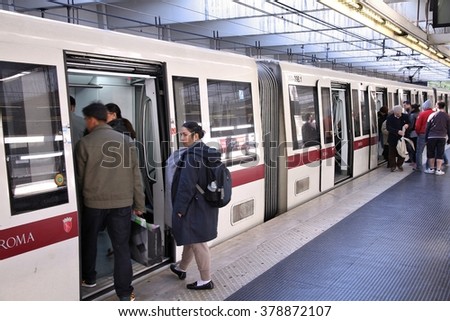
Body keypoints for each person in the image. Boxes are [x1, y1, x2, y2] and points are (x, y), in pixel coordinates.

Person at [75, 102, 145, 301]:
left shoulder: (84, 144)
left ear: (92, 120)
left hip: (93, 204)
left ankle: (89, 278)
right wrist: (139, 204)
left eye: (86, 119)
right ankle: (124, 293)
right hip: (122, 204)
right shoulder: (126, 141)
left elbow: (79, 180)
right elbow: (135, 176)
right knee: (121, 247)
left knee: (89, 241)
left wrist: (79, 208)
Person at [169, 122, 220, 290]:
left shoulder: (192, 155)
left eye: (184, 134)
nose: (182, 138)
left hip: (193, 205)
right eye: (181, 135)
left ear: (195, 136)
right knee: (191, 237)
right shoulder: (205, 151)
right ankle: (181, 268)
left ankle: (206, 280)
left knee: (198, 242)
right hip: (205, 203)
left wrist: (179, 209)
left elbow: (186, 186)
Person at [424, 101, 450, 175]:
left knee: (431, 153)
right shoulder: (446, 116)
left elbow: (427, 128)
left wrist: (426, 138)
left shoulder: (432, 115)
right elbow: (448, 128)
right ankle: (438, 170)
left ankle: (431, 168)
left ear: (437, 106)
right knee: (440, 153)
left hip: (431, 137)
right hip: (442, 137)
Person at [386, 105, 410, 172]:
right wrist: (397, 131)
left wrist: (407, 125)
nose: (398, 115)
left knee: (402, 152)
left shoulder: (405, 116)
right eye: (397, 114)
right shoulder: (390, 118)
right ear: (394, 113)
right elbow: (388, 128)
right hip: (393, 138)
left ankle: (400, 164)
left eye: (399, 114)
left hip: (403, 138)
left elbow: (409, 123)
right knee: (392, 152)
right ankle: (393, 166)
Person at [413, 99, 434, 171]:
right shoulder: (435, 113)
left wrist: (418, 133)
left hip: (422, 134)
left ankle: (419, 167)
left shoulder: (422, 114)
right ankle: (429, 166)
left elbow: (417, 126)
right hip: (432, 134)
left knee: (419, 151)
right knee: (430, 151)